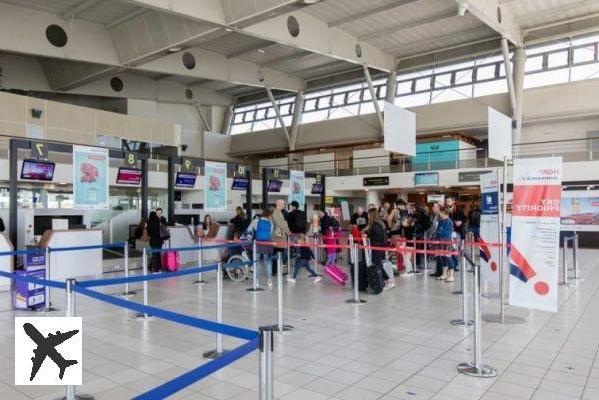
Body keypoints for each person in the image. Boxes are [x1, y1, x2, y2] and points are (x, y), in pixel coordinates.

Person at [366, 208, 394, 290]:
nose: (367, 215)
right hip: (380, 247)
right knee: (379, 265)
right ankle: (386, 281)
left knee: (378, 265)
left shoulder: (375, 224)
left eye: (368, 214)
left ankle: (389, 281)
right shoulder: (379, 223)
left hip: (377, 248)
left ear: (371, 215)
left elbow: (378, 237)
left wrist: (369, 236)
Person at [434, 206, 456, 282]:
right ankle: (444, 274)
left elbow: (446, 233)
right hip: (440, 242)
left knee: (448, 257)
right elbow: (437, 230)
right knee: (443, 257)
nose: (439, 214)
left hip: (447, 242)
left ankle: (451, 275)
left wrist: (438, 232)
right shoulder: (441, 221)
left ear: (443, 212)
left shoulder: (448, 221)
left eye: (440, 212)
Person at [254, 209, 274, 288]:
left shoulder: (256, 221)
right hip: (267, 243)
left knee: (257, 262)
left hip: (258, 243)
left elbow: (253, 230)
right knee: (268, 262)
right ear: (269, 216)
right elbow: (270, 233)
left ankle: (256, 281)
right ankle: (269, 280)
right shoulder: (270, 223)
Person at [272, 199, 291, 274]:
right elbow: (281, 224)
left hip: (279, 237)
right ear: (278, 204)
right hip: (278, 238)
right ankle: (276, 271)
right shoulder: (277, 213)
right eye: (283, 204)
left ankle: (276, 271)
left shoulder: (279, 212)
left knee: (278, 254)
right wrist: (288, 231)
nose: (284, 205)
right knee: (278, 254)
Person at [413, 203, 431, 271]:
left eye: (414, 208)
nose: (413, 209)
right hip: (422, 234)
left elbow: (423, 225)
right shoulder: (424, 215)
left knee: (419, 249)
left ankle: (420, 263)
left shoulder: (419, 215)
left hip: (420, 234)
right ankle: (421, 263)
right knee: (421, 249)